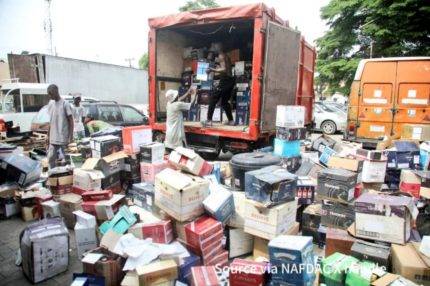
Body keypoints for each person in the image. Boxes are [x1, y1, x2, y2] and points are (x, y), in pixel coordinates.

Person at [202, 43, 235, 126]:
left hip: (225, 81)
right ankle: (231, 121)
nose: (212, 48)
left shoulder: (221, 55)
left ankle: (209, 121)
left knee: (213, 99)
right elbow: (226, 68)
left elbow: (224, 69)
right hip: (230, 81)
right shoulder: (226, 56)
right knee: (224, 102)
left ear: (218, 47)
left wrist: (212, 70)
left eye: (214, 46)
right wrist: (217, 68)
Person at [46, 84, 74, 168]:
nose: (49, 96)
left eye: (50, 94)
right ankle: (52, 174)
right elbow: (50, 121)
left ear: (55, 92)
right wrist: (47, 135)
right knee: (51, 158)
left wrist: (70, 136)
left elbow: (71, 121)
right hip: (53, 137)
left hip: (63, 137)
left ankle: (68, 176)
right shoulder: (51, 103)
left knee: (66, 159)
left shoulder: (65, 104)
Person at [165, 86, 197, 151]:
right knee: (180, 153)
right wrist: (195, 93)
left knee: (171, 155)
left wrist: (188, 92)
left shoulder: (168, 103)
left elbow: (179, 99)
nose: (178, 96)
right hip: (176, 135)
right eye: (176, 95)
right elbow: (191, 105)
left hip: (169, 135)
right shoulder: (177, 105)